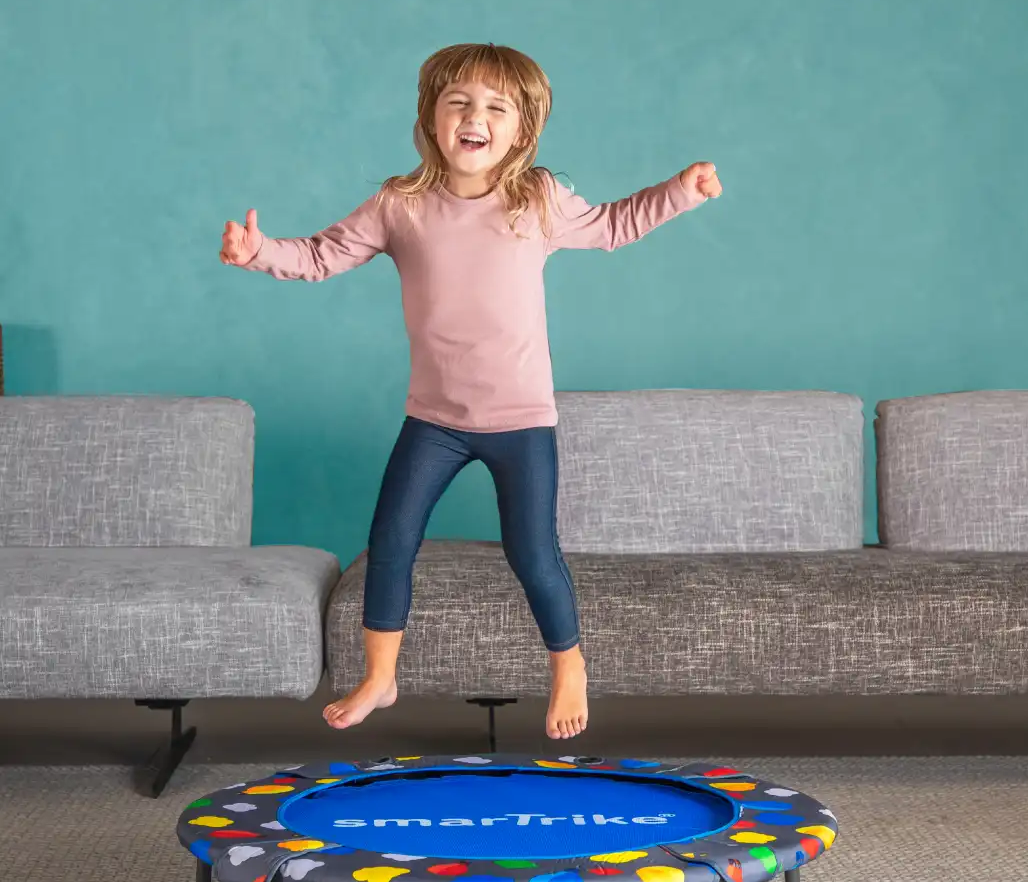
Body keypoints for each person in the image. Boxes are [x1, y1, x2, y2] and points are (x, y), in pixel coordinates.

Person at [220, 42, 721, 740]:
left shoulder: (537, 200)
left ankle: (569, 667)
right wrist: (260, 252)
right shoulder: (402, 205)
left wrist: (680, 192)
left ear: (521, 130)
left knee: (532, 553)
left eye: (494, 107)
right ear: (430, 118)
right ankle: (380, 676)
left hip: (521, 422)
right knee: (391, 539)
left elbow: (611, 225)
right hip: (435, 420)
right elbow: (321, 254)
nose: (473, 117)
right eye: (457, 102)